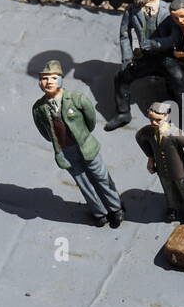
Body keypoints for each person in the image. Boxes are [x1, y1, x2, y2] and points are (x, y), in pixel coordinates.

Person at [31, 60, 124, 228]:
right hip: (66, 152)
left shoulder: (76, 99)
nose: (48, 82)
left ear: (60, 79)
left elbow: (91, 120)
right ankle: (100, 212)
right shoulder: (39, 108)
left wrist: (83, 137)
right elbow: (45, 132)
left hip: (86, 147)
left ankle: (116, 209)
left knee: (101, 177)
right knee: (84, 183)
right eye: (44, 79)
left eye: (53, 77)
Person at [104, 0, 184, 131]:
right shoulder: (131, 10)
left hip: (166, 57)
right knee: (121, 77)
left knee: (179, 78)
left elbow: (175, 37)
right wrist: (127, 58)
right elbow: (124, 35)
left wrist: (157, 44)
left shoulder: (168, 10)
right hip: (144, 57)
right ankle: (123, 113)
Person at [135, 100, 184, 224]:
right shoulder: (148, 131)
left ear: (166, 116)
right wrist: (150, 157)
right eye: (151, 119)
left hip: (178, 168)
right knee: (168, 189)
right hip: (161, 168)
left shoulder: (174, 133)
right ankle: (173, 207)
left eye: (158, 120)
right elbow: (139, 138)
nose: (154, 123)